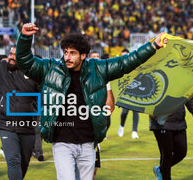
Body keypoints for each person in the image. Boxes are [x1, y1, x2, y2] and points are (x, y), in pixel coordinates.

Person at [15, 22, 167, 180]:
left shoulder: (98, 69)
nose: (67, 57)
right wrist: (25, 37)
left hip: (88, 142)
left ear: (83, 55)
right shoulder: (50, 68)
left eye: (72, 53)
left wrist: (153, 45)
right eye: (65, 52)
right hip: (61, 142)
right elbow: (25, 61)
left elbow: (126, 62)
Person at [0, 46, 39, 180]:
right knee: (13, 160)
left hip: (27, 126)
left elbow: (42, 98)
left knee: (23, 163)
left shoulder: (34, 74)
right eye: (10, 53)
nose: (11, 57)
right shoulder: (2, 68)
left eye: (16, 55)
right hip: (6, 125)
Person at [88, 51, 116, 180]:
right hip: (77, 134)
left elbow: (109, 108)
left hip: (93, 135)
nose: (96, 60)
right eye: (93, 57)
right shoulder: (80, 77)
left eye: (97, 57)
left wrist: (107, 83)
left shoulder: (103, 79)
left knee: (92, 172)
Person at [150, 103, 193, 180]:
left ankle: (160, 169)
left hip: (178, 121)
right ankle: (165, 176)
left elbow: (189, 97)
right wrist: (151, 111)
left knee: (182, 152)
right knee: (167, 154)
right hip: (161, 122)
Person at [117, 48, 140, 139]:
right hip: (124, 93)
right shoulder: (118, 67)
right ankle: (121, 126)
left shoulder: (134, 66)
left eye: (126, 55)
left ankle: (134, 131)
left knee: (135, 112)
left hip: (135, 92)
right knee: (124, 112)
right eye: (123, 55)